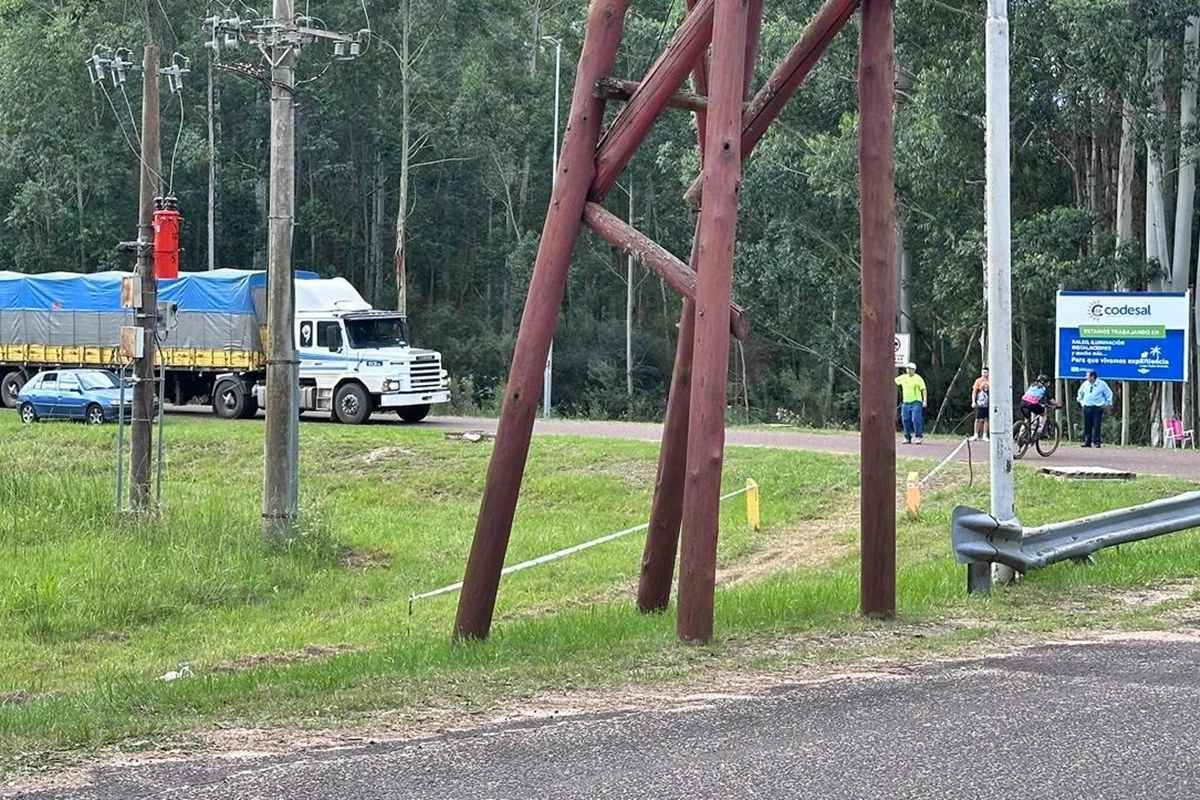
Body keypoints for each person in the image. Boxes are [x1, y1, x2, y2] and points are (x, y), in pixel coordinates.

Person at [1076, 369, 1113, 448]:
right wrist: (1081, 402)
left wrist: (1107, 404)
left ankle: (1097, 442)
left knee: (1096, 425)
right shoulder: (1085, 384)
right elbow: (1080, 393)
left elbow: (1109, 394)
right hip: (1086, 407)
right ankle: (1087, 442)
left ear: (1092, 377)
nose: (1086, 377)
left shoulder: (1102, 384)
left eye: (1088, 376)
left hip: (1097, 408)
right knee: (1087, 425)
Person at [895, 361, 928, 445]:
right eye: (907, 368)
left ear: (914, 370)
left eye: (910, 369)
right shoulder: (903, 377)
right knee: (905, 419)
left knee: (915, 419)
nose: (908, 370)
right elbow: (894, 381)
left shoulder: (918, 378)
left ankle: (918, 436)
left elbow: (923, 389)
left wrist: (924, 401)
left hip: (916, 401)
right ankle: (907, 437)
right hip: (906, 402)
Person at [970, 366, 990, 442]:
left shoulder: (991, 380)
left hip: (988, 404)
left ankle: (985, 435)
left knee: (986, 419)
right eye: (983, 372)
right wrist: (973, 401)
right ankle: (976, 434)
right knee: (978, 419)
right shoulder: (978, 381)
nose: (984, 374)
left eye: (986, 372)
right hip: (980, 403)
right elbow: (974, 392)